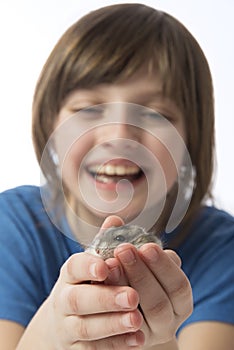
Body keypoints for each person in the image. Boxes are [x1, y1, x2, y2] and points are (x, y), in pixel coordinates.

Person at [0, 3, 234, 349]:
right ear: (50, 124)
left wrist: (156, 339)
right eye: (87, 109)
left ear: (190, 139)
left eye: (154, 114)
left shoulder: (220, 248)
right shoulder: (11, 226)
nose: (119, 135)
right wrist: (56, 326)